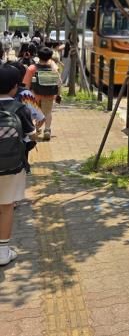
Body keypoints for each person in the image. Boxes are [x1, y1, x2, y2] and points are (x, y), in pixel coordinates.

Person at [0, 65, 36, 267]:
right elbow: (32, 135)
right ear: (15, 87)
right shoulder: (20, 108)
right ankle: (3, 251)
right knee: (6, 207)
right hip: (12, 165)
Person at [23, 47, 60, 141]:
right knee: (47, 112)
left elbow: (26, 85)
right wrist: (58, 94)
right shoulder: (54, 68)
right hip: (50, 94)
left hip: (34, 94)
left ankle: (35, 129)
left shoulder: (32, 68)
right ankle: (47, 130)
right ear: (50, 57)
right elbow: (59, 82)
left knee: (34, 113)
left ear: (38, 56)